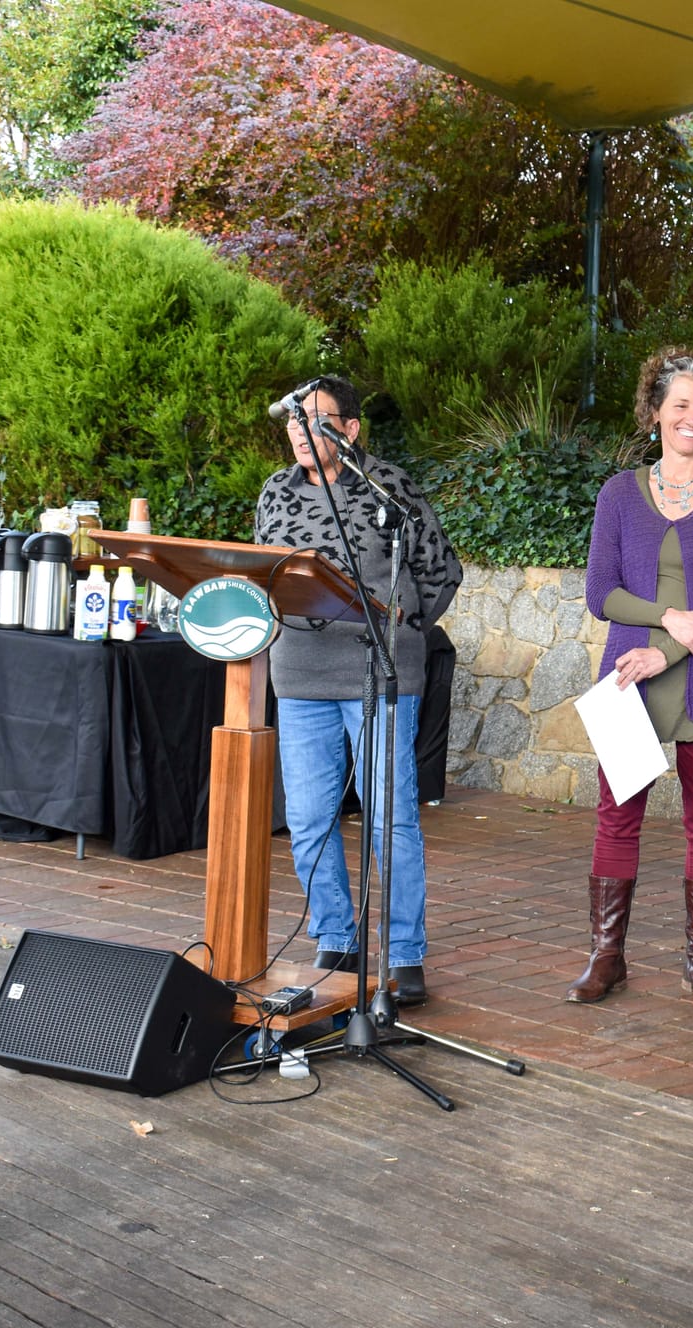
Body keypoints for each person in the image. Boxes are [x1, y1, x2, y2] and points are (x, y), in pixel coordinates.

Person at [254, 375, 461, 1006]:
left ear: (350, 429)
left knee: (390, 819)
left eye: (315, 419)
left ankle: (402, 954)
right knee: (310, 819)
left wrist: (406, 622)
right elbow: (262, 569)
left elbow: (441, 569)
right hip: (299, 675)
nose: (299, 430)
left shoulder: (387, 488)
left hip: (378, 677)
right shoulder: (274, 492)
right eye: (293, 420)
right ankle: (336, 938)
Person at [570, 348, 693, 1008]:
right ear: (654, 412)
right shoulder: (619, 493)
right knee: (615, 817)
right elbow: (603, 593)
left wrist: (672, 648)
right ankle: (606, 956)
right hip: (629, 676)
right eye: (681, 405)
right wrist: (670, 621)